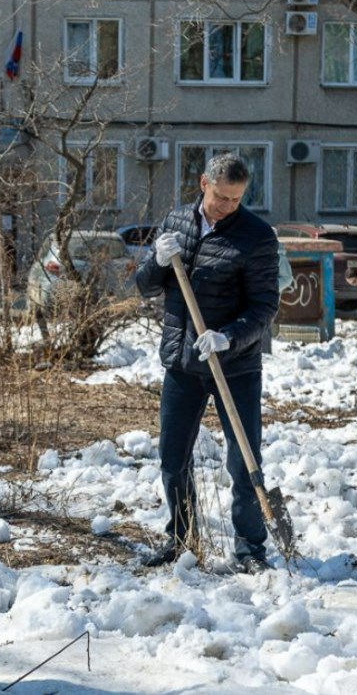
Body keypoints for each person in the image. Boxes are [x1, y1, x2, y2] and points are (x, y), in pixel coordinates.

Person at [135, 153, 280, 573]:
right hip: (182, 362)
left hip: (234, 365)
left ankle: (251, 548)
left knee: (243, 458)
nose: (227, 207)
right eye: (221, 198)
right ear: (203, 184)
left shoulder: (256, 236)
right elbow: (145, 286)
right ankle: (181, 538)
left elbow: (264, 306)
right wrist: (156, 261)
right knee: (172, 456)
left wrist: (227, 337)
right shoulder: (177, 222)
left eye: (236, 200)